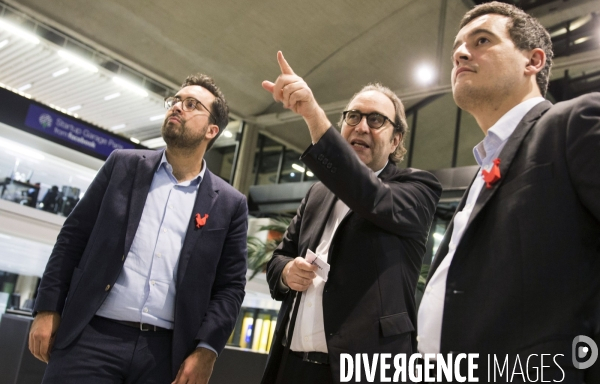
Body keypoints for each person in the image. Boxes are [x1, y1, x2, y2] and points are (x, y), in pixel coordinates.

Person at [418, 1, 600, 382]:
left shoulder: (572, 123)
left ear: (532, 61)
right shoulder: (484, 168)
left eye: (482, 40)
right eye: (457, 49)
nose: (461, 53)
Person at [29, 74, 248, 384]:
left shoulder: (229, 204)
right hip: (90, 338)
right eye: (175, 101)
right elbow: (72, 238)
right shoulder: (122, 166)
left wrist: (207, 350)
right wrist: (47, 308)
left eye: (191, 104)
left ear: (212, 130)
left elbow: (229, 288)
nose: (177, 107)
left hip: (164, 356)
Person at [260, 52, 442, 383]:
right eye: (353, 116)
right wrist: (286, 271)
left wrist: (312, 115)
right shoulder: (317, 192)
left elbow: (370, 196)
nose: (361, 126)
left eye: (376, 120)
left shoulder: (416, 188)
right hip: (292, 365)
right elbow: (277, 258)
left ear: (396, 139)